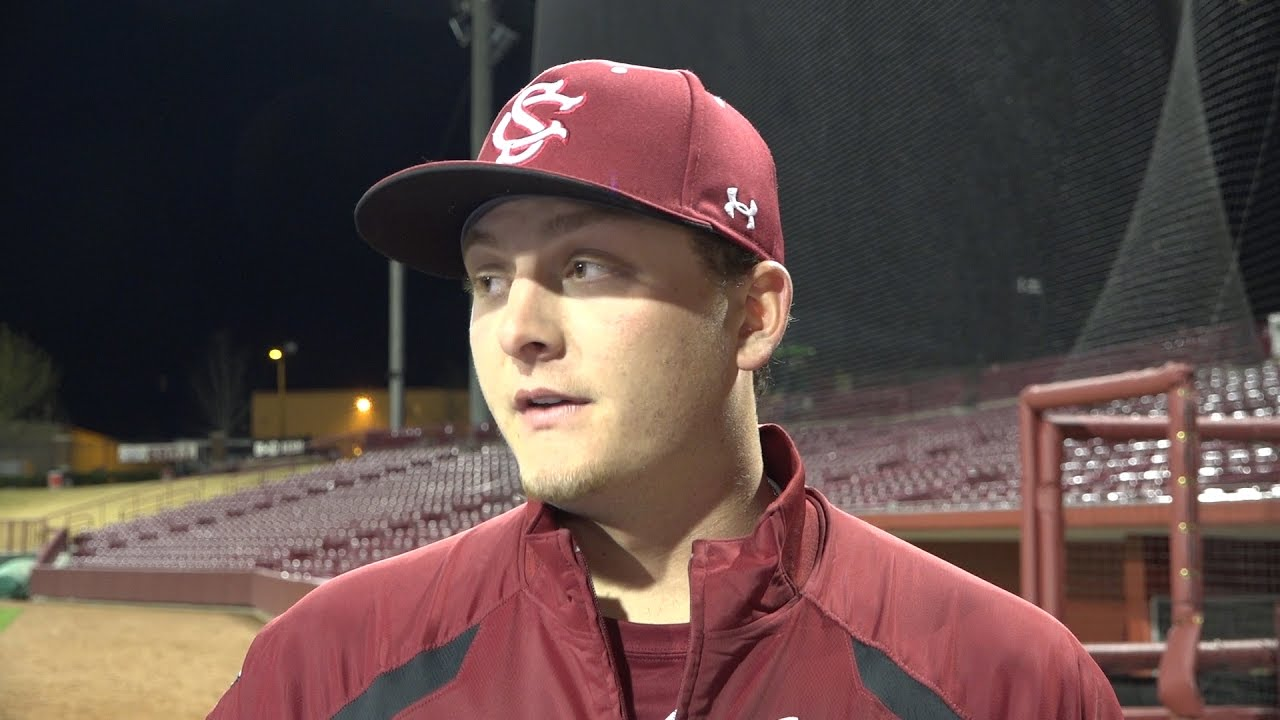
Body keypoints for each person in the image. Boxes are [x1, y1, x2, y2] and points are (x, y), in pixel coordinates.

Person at [209, 59, 1123, 719]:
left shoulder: (1005, 682)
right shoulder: (323, 667)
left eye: (586, 266)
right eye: (488, 279)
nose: (518, 329)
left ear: (753, 316)